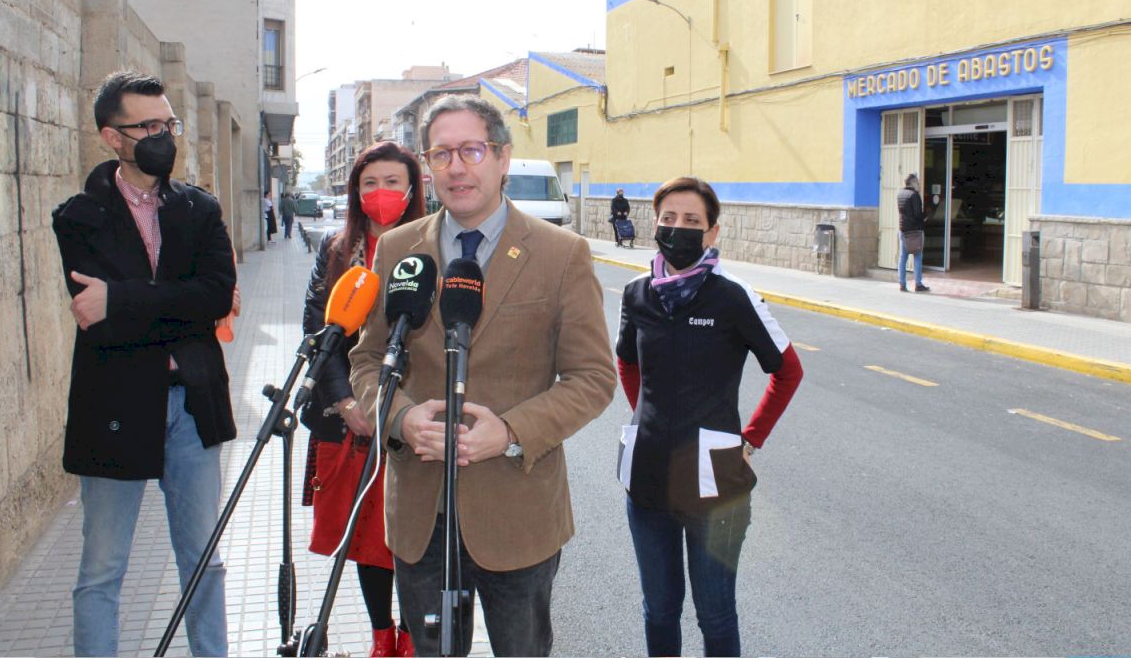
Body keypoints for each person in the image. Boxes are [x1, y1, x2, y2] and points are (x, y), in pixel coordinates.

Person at [350, 94, 616, 657]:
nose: (456, 167)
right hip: (420, 513)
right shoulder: (398, 249)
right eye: (441, 154)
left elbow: (593, 377)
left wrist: (512, 431)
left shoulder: (561, 253)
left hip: (517, 512)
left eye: (471, 150)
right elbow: (368, 361)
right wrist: (400, 419)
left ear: (502, 158)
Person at [51, 71, 237, 657]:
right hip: (114, 405)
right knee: (101, 570)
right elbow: (98, 318)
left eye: (168, 124)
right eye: (148, 126)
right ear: (113, 137)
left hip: (192, 404)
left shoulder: (199, 208)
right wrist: (174, 306)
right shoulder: (78, 217)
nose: (163, 136)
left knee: (203, 561)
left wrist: (123, 298)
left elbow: (216, 296)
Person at [615, 176, 804, 658]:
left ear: (712, 232)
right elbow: (627, 362)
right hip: (648, 479)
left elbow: (788, 371)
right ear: (654, 225)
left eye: (691, 220)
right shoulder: (637, 293)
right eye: (668, 218)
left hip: (715, 485)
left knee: (715, 615)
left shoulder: (732, 296)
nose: (677, 228)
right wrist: (645, 416)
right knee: (659, 612)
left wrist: (751, 439)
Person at [300, 141, 425, 657]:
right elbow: (318, 332)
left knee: (414, 536)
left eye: (393, 182)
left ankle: (413, 638)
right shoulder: (337, 250)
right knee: (365, 536)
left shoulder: (434, 248)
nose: (381, 193)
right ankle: (381, 636)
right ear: (355, 191)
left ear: (413, 190)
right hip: (350, 422)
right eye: (370, 183)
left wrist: (400, 410)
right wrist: (347, 403)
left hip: (413, 419)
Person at [897, 173, 930, 292]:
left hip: (903, 230)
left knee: (903, 257)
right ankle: (918, 284)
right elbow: (917, 214)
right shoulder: (914, 195)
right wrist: (925, 216)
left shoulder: (900, 194)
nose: (919, 185)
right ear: (913, 183)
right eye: (918, 182)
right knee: (917, 256)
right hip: (915, 231)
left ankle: (902, 284)